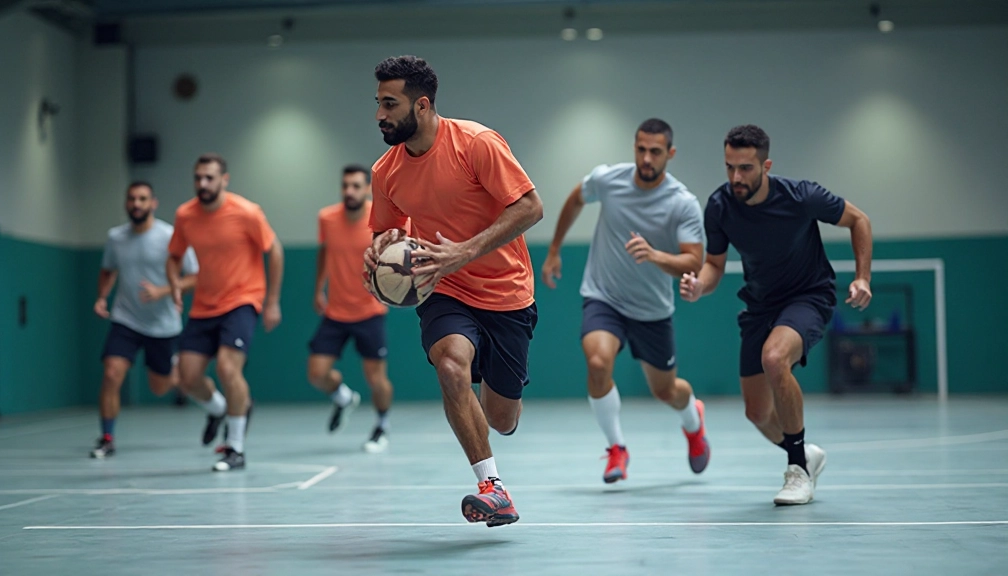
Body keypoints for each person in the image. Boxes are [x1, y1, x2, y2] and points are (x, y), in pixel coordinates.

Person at [364, 55, 542, 527]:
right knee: (449, 364)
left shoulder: (476, 144)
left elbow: (530, 207)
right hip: (445, 288)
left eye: (389, 103)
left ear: (421, 106)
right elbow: (387, 232)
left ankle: (488, 393)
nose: (379, 114)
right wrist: (378, 254)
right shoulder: (385, 171)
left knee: (501, 419)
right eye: (377, 103)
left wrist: (466, 250)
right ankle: (493, 487)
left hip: (507, 294)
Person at [680, 124, 873, 505]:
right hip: (760, 305)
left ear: (766, 165)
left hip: (808, 295)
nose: (737, 177)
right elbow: (714, 266)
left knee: (774, 358)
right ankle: (806, 453)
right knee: (757, 413)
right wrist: (700, 284)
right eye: (730, 167)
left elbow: (859, 220)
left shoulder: (801, 197)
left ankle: (798, 470)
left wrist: (863, 277)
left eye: (746, 168)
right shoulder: (720, 206)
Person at [541, 119, 710, 483]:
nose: (646, 158)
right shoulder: (608, 180)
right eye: (641, 149)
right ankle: (617, 448)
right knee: (598, 362)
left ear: (671, 154)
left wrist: (654, 256)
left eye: (655, 152)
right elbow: (575, 199)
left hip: (652, 309)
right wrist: (554, 250)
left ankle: (693, 421)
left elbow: (694, 261)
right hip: (604, 296)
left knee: (666, 391)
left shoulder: (682, 203)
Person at [167, 153, 285, 472]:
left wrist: (272, 301)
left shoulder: (246, 212)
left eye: (209, 177)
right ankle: (220, 408)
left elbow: (274, 251)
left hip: (242, 300)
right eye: (198, 178)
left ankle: (235, 447)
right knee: (187, 377)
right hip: (204, 305)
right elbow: (174, 256)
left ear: (224, 179)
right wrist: (174, 285)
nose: (203, 184)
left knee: (227, 369)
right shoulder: (185, 215)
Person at [90, 181, 203, 458]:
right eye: (131, 199)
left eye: (142, 199)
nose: (136, 204)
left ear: (154, 203)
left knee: (159, 387)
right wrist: (102, 297)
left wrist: (164, 291)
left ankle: (174, 373)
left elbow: (195, 276)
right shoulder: (116, 238)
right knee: (112, 373)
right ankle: (107, 437)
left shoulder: (170, 236)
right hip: (125, 318)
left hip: (162, 324)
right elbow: (108, 270)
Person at [309, 164, 398, 453]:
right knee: (316, 372)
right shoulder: (327, 217)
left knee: (376, 379)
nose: (350, 191)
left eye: (356, 186)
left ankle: (381, 426)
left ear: (367, 189)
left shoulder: (380, 219)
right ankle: (343, 398)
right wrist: (318, 287)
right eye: (346, 185)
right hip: (335, 311)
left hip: (370, 312)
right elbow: (325, 250)